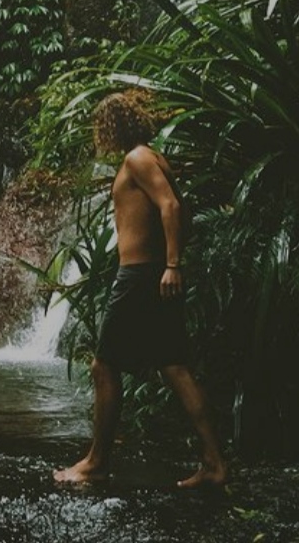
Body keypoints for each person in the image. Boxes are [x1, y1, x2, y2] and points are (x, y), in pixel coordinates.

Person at [53, 91, 229, 488]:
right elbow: (179, 209)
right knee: (176, 368)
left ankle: (97, 463)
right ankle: (215, 463)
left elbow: (170, 206)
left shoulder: (137, 159)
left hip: (139, 277)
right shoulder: (152, 156)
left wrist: (171, 265)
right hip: (151, 274)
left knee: (104, 366)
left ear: (113, 124)